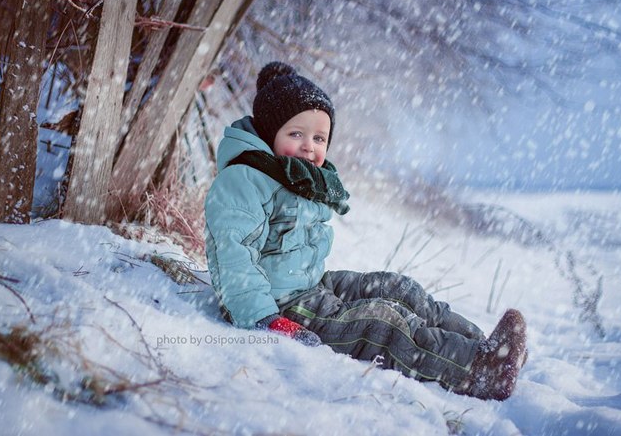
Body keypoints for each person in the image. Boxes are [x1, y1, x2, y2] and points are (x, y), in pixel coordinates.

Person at [204, 61, 527, 401]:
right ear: (270, 133)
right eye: (296, 134)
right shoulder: (244, 179)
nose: (309, 146)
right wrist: (263, 319)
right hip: (277, 304)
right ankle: (478, 370)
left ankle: (490, 349)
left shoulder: (295, 176)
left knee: (396, 288)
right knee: (382, 323)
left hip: (309, 286)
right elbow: (233, 254)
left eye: (319, 138)